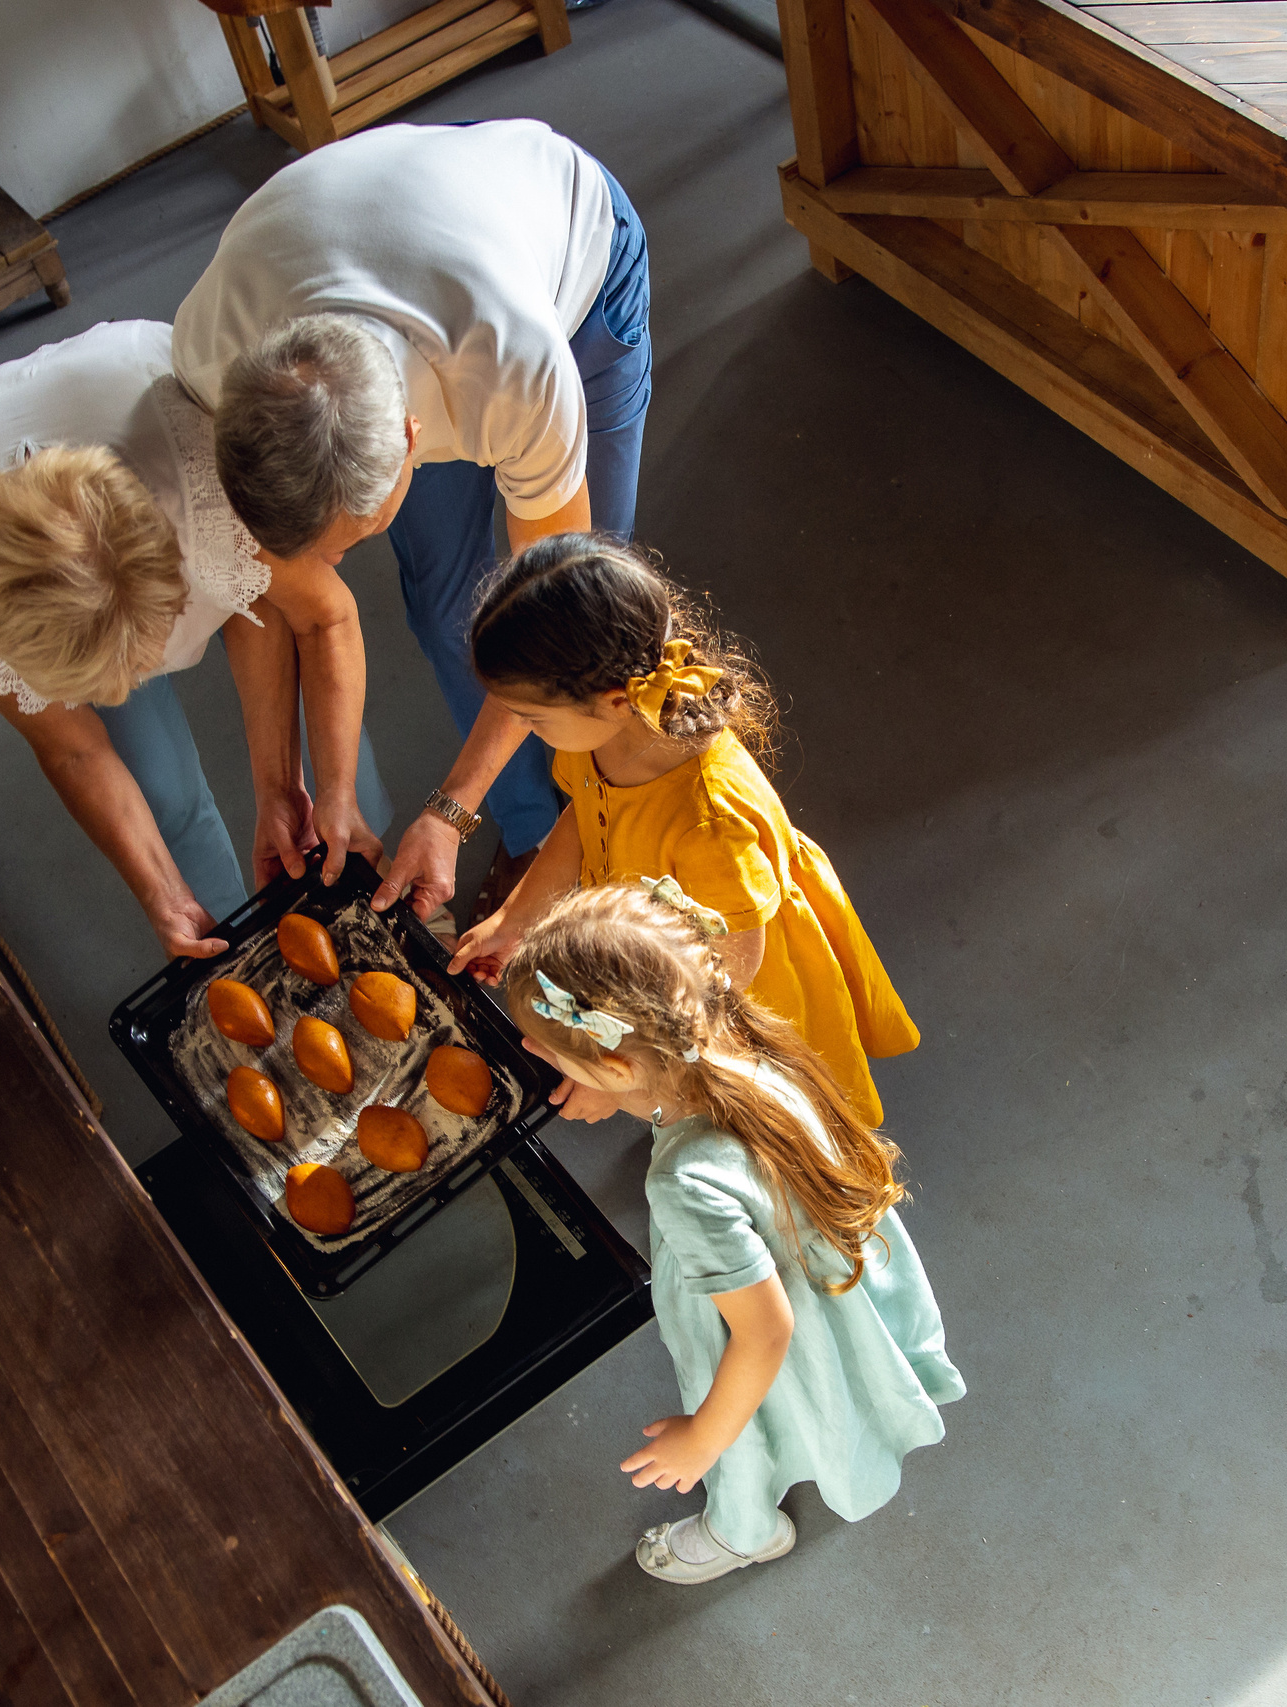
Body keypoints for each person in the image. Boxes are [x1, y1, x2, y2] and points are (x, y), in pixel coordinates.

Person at [170, 119, 653, 925]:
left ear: (410, 442)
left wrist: (449, 808)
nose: (332, 571)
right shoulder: (213, 356)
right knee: (443, 607)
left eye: (348, 543)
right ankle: (532, 828)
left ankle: (595, 836)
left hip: (571, 251)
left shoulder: (515, 370)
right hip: (374, 228)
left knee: (587, 632)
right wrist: (286, 787)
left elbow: (554, 621)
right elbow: (272, 596)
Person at [501, 883, 963, 1583]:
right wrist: (614, 1084)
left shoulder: (682, 1183)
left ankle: (743, 1527)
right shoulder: (740, 1043)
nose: (537, 1057)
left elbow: (764, 1335)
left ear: (620, 1064)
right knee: (823, 1390)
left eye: (555, 1057)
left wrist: (699, 1439)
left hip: (764, 1327)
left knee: (742, 1431)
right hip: (825, 1273)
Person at [0, 319, 392, 960]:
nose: (139, 678)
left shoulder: (212, 468)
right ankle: (230, 949)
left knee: (332, 764)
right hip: (31, 535)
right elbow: (74, 750)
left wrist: (282, 784)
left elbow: (309, 617)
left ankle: (372, 888)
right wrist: (162, 895)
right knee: (161, 787)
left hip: (168, 457)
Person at [449, 533, 919, 1124]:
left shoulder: (710, 823)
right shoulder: (602, 736)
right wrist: (515, 919)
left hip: (721, 1006)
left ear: (614, 700)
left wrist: (629, 1075)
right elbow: (585, 817)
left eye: (533, 717)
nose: (523, 728)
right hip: (660, 970)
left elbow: (722, 982)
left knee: (752, 1121)